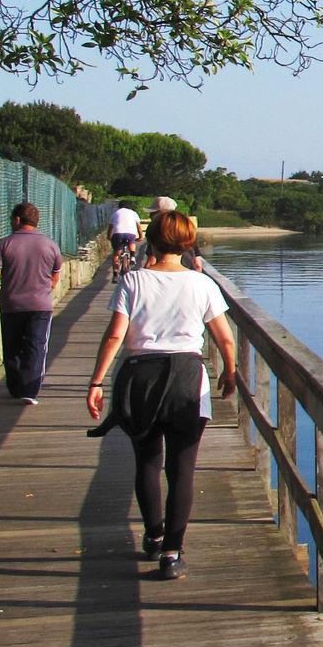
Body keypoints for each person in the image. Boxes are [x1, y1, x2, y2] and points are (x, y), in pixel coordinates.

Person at [86, 211, 238, 581]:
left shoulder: (134, 281)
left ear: (150, 241)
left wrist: (96, 382)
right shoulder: (202, 285)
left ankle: (154, 535)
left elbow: (114, 335)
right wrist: (230, 372)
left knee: (148, 461)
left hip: (141, 377)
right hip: (188, 377)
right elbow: (224, 336)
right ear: (188, 244)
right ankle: (172, 553)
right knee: (182, 468)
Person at [0, 202, 64, 404]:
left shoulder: (3, 244)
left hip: (11, 304)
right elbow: (55, 275)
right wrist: (45, 290)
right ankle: (30, 390)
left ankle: (16, 387)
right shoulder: (51, 245)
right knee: (36, 346)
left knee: (12, 346)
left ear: (17, 220)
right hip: (40, 305)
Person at [108, 203, 143, 278]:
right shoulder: (133, 213)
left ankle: (115, 274)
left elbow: (110, 227)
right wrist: (141, 236)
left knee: (116, 254)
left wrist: (109, 236)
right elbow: (139, 227)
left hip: (118, 234)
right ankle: (132, 256)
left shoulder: (116, 213)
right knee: (131, 241)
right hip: (130, 233)